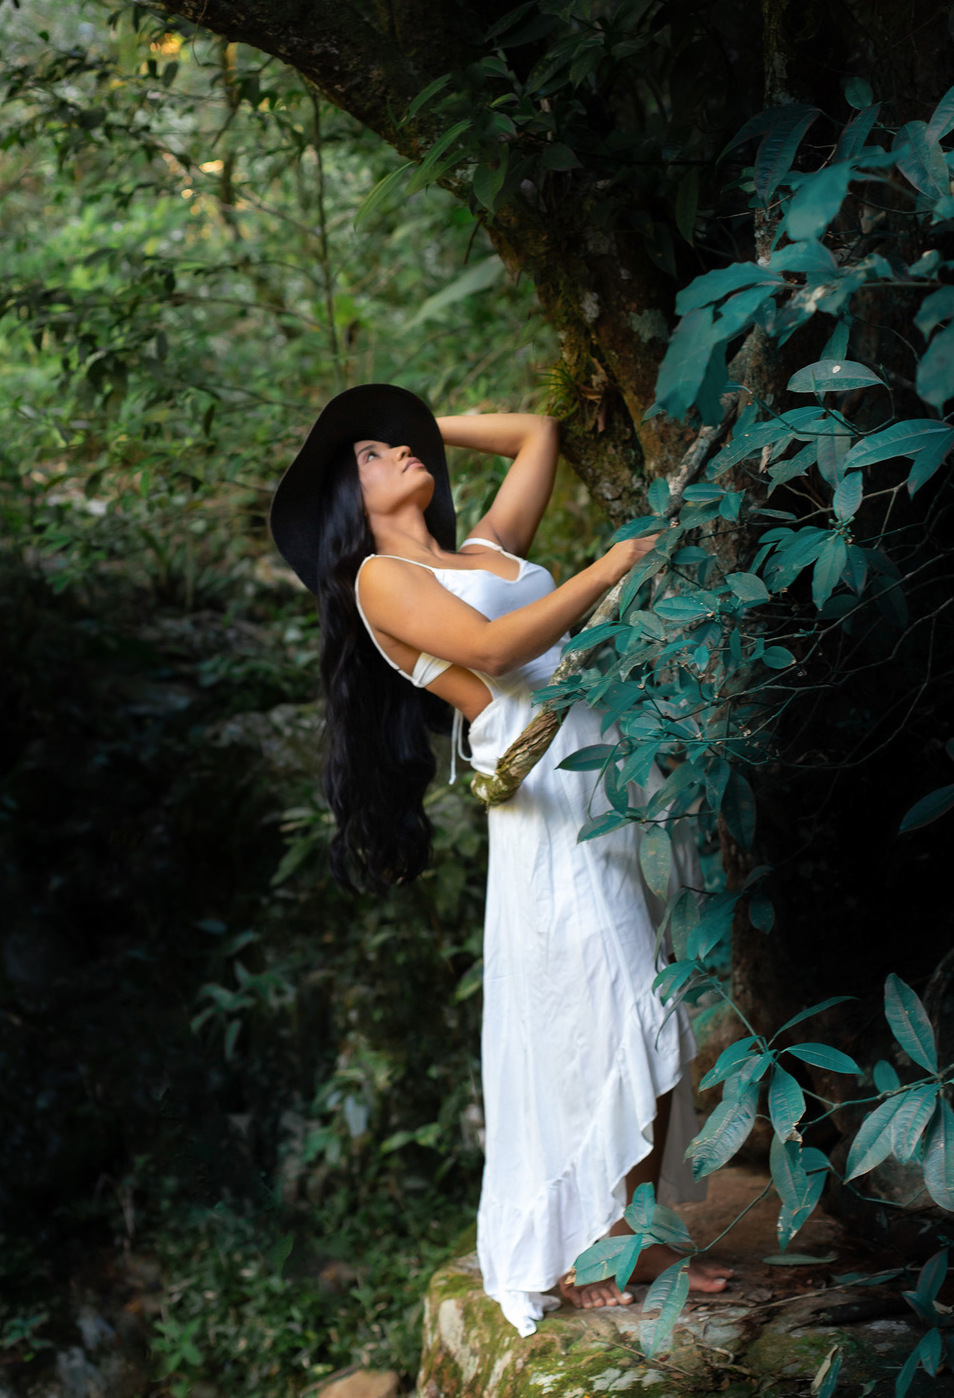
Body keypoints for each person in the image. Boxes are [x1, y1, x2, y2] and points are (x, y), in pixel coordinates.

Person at [270, 384, 731, 1336]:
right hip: (550, 809)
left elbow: (536, 433)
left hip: (612, 784)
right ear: (346, 506)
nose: (396, 455)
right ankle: (586, 1243)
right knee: (621, 1009)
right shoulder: (377, 582)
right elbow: (494, 643)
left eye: (392, 445)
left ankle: (631, 1236)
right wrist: (609, 566)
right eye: (369, 456)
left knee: (655, 1010)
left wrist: (413, 430)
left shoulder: (480, 551)